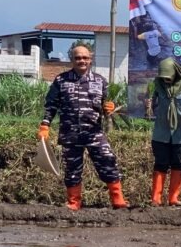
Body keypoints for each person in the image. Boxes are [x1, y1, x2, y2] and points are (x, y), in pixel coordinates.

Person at [37, 45, 128, 210]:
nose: (82, 61)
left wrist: (109, 108)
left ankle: (118, 200)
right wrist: (45, 125)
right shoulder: (61, 80)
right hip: (70, 133)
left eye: (85, 58)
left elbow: (106, 107)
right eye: (78, 58)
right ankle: (74, 202)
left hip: (94, 132)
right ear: (72, 60)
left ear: (90, 60)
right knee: (72, 168)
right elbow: (51, 106)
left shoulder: (100, 81)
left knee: (107, 160)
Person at [147, 58, 181, 206]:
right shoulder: (157, 83)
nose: (166, 80)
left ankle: (173, 198)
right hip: (162, 131)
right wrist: (149, 102)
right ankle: (156, 199)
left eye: (168, 77)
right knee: (160, 163)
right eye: (163, 77)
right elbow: (151, 98)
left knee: (179, 163)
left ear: (175, 73)